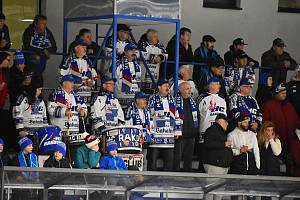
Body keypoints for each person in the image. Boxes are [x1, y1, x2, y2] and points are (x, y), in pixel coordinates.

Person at [262, 83, 299, 168]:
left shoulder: (289, 106)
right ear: (276, 93)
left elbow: (296, 121)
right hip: (274, 142)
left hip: (289, 144)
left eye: (285, 92)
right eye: (282, 92)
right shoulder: (268, 105)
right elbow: (265, 123)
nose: (284, 94)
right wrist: (272, 136)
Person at [148, 79, 181, 171]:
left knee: (169, 163)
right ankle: (149, 184)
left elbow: (176, 115)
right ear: (159, 87)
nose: (167, 88)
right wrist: (150, 132)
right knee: (152, 163)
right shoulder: (152, 98)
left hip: (169, 136)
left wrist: (177, 130)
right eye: (165, 86)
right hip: (156, 136)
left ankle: (167, 183)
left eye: (168, 86)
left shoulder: (172, 99)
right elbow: (149, 115)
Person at [48, 75, 88, 144]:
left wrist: (83, 112)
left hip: (74, 130)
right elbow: (50, 108)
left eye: (73, 82)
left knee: (73, 152)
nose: (73, 84)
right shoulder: (56, 94)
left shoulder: (76, 96)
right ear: (64, 83)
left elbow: (83, 107)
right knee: (61, 152)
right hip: (59, 131)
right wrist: (64, 111)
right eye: (71, 82)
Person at [60, 39, 98, 106]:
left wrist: (91, 82)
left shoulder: (87, 61)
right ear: (76, 48)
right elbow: (61, 77)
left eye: (86, 47)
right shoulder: (69, 59)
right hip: (71, 97)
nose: (85, 49)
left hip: (86, 96)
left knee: (84, 113)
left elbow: (94, 76)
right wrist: (72, 86)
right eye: (83, 47)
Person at [173, 82, 199, 172]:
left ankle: (188, 175)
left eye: (190, 89)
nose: (190, 91)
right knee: (177, 157)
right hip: (180, 135)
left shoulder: (193, 101)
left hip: (191, 134)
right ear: (181, 90)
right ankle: (175, 175)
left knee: (189, 158)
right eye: (187, 89)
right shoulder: (175, 101)